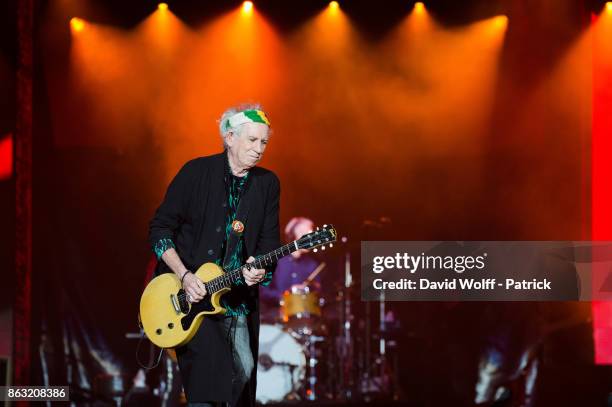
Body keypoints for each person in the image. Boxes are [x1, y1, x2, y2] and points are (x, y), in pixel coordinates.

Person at [148, 104, 280, 407]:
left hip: (235, 299)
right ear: (230, 137)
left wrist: (259, 267)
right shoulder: (195, 172)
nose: (259, 149)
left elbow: (269, 243)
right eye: (252, 140)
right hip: (192, 296)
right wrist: (184, 275)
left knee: (243, 373)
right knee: (207, 379)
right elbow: (159, 229)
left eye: (264, 142)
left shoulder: (267, 184)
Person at [260, 217, 322, 322]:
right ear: (292, 236)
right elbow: (263, 291)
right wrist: (286, 295)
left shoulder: (312, 264)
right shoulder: (275, 261)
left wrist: (308, 289)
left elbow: (318, 293)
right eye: (304, 234)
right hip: (274, 315)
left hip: (304, 316)